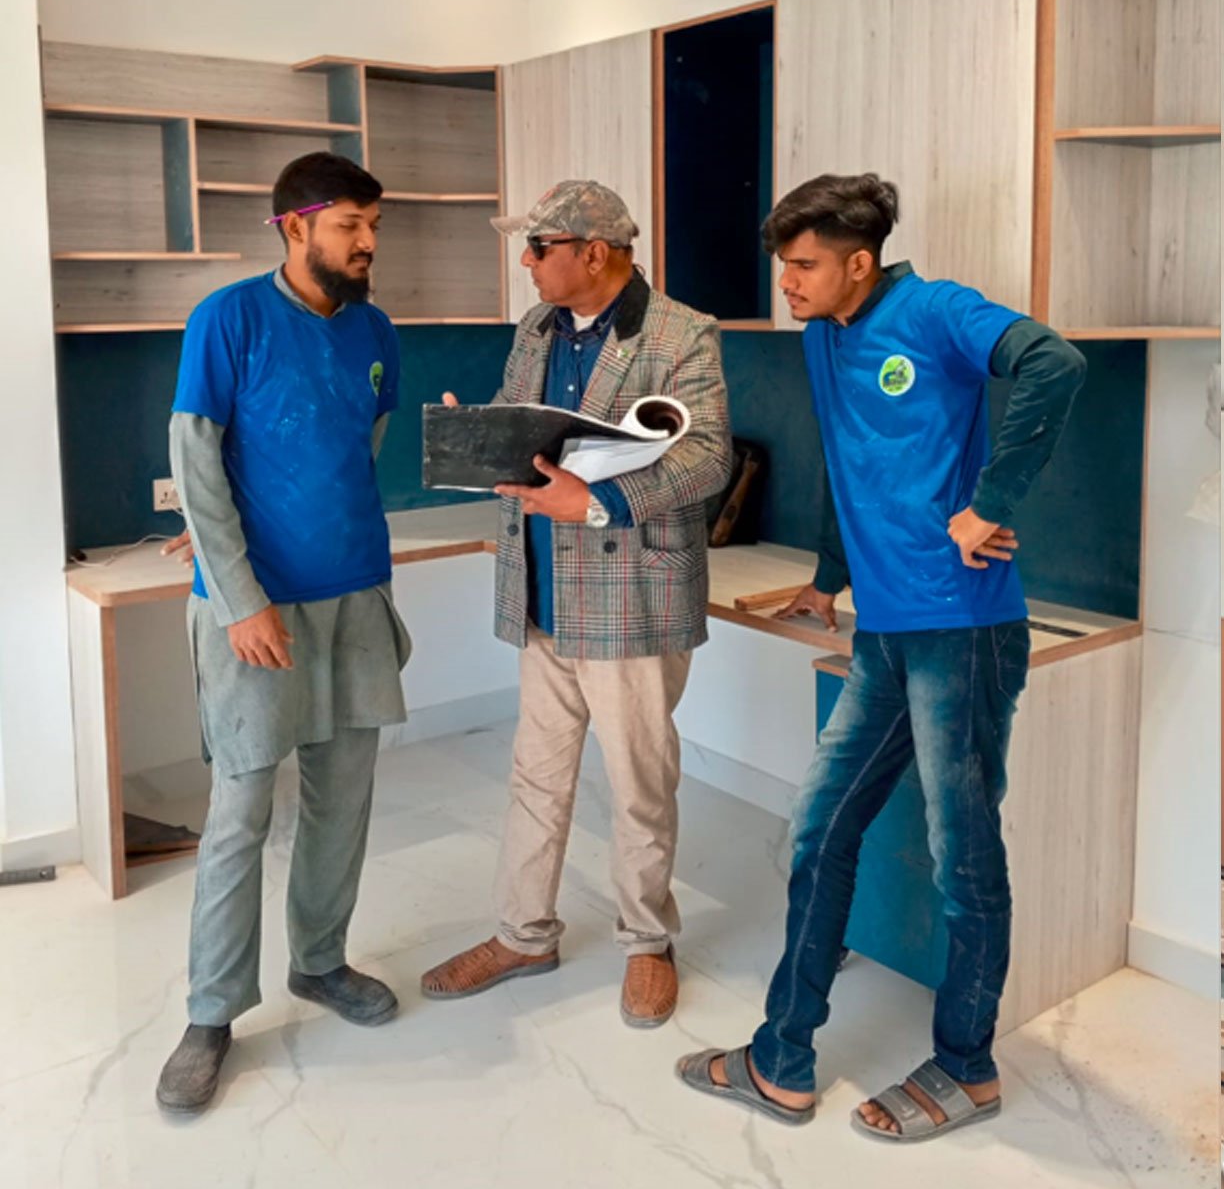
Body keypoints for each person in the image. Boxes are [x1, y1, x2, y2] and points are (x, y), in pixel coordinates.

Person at [677, 172, 1087, 1143]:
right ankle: (781, 1059)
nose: (787, 283)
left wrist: (990, 503)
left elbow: (1055, 364)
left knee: (962, 854)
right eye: (782, 266)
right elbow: (849, 462)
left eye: (803, 265)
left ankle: (968, 1067)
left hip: (964, 631)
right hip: (884, 635)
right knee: (820, 829)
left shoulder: (935, 311)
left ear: (859, 262)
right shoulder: (824, 337)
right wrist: (828, 577)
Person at [420, 180, 732, 1028]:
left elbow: (708, 458)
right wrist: (479, 435)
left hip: (632, 593)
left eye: (539, 247)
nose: (526, 262)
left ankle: (647, 942)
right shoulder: (535, 328)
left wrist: (599, 501)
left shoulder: (681, 333)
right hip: (543, 588)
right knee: (536, 775)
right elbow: (529, 427)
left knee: (638, 785)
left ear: (594, 253)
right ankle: (523, 935)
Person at [155, 152, 411, 1116]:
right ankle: (211, 1013)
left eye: (373, 224)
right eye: (350, 225)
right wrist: (239, 596)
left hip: (356, 591)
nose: (368, 241)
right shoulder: (228, 318)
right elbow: (197, 456)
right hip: (255, 605)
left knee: (344, 798)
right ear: (295, 227)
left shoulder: (376, 330)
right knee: (240, 811)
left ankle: (320, 961)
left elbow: (360, 445)